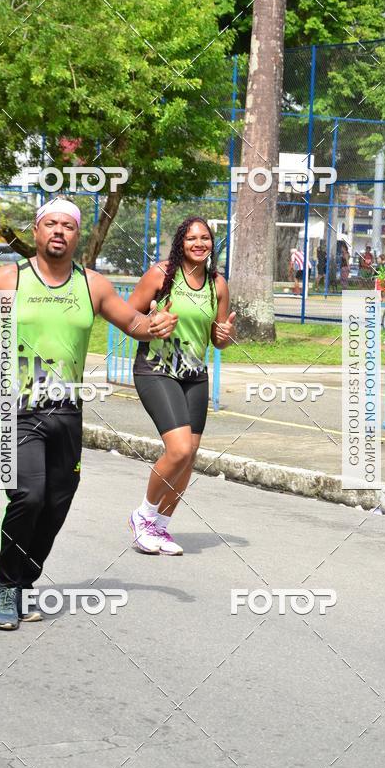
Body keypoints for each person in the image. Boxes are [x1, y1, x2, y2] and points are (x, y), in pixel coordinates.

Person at [0, 197, 177, 629]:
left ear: (77, 236)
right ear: (37, 231)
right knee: (29, 495)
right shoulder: (9, 278)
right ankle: (7, 587)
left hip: (66, 411)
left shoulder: (93, 285)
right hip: (15, 407)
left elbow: (133, 324)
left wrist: (153, 327)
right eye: (51, 224)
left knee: (58, 501)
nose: (59, 231)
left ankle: (24, 581)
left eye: (68, 226)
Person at [127, 216, 236, 556]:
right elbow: (126, 317)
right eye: (191, 238)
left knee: (189, 458)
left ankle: (160, 527)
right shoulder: (161, 275)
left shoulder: (217, 284)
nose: (199, 243)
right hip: (156, 370)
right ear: (181, 243)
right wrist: (151, 323)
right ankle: (143, 516)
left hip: (195, 376)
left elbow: (219, 339)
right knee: (179, 450)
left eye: (205, 238)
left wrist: (226, 336)